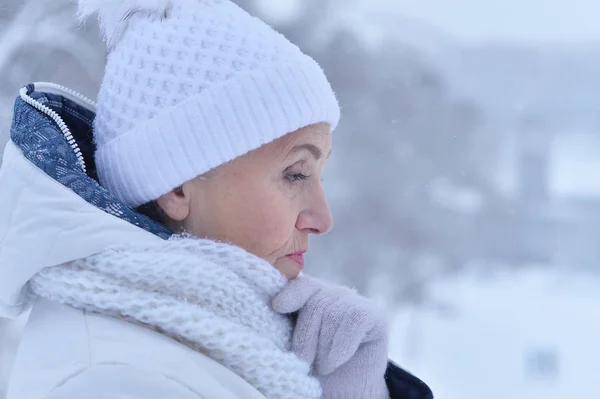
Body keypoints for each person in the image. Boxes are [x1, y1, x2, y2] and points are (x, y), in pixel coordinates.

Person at [0, 1, 433, 398]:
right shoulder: (116, 380)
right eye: (295, 173)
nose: (322, 218)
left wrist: (349, 387)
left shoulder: (211, 345)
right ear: (177, 187)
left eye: (319, 177)